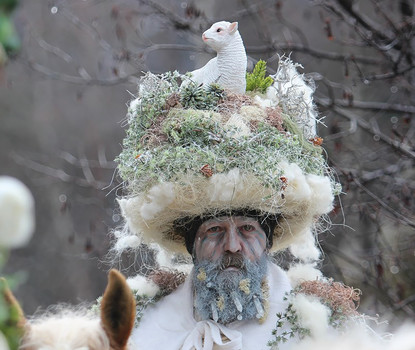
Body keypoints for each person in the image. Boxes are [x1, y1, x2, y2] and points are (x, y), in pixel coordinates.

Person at [114, 55, 346, 349]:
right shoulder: (143, 325)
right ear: (190, 243)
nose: (233, 246)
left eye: (248, 229)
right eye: (214, 231)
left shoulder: (315, 328)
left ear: (268, 240)